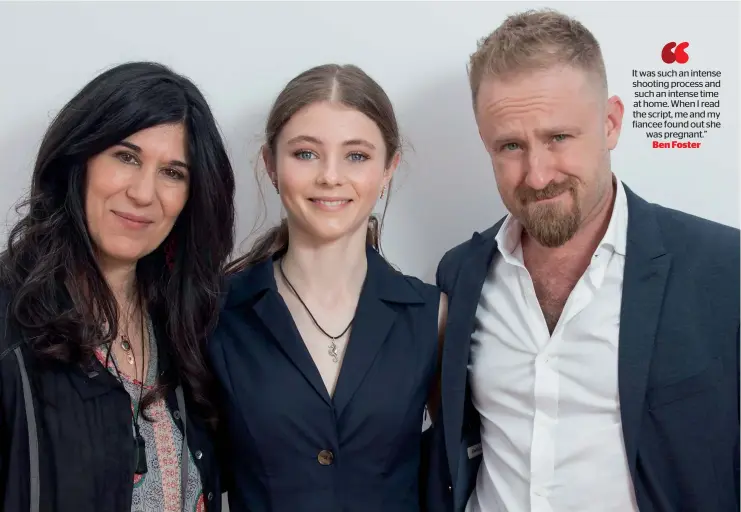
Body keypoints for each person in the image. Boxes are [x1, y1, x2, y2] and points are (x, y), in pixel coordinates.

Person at [427, 8, 740, 512]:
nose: (537, 173)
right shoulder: (460, 274)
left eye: (558, 138)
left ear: (611, 122)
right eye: (510, 145)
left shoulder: (726, 269)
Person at [207, 63, 447, 511]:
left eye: (356, 155)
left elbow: (450, 465)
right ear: (270, 164)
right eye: (305, 154)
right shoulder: (217, 311)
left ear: (389, 167)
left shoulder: (430, 313)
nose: (330, 177)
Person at [0, 61, 236, 512]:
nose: (144, 193)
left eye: (173, 172)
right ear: (80, 159)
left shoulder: (186, 326)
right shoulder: (10, 319)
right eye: (126, 157)